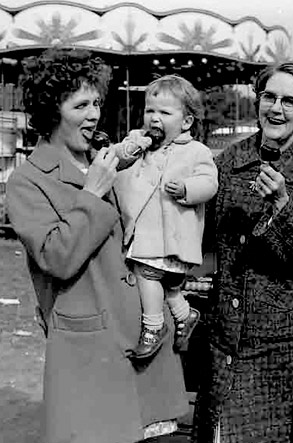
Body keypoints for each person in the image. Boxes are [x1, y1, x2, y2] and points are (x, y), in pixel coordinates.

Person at [6, 48, 188, 443]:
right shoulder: (28, 181)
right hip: (90, 352)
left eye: (97, 103)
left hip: (145, 341)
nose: (94, 115)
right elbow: (56, 257)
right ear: (53, 110)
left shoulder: (113, 159)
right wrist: (92, 193)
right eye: (81, 105)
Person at [192, 61, 293, 443]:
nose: (276, 108)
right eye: (268, 97)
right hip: (223, 335)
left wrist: (282, 206)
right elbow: (203, 238)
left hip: (276, 348)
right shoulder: (228, 161)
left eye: (290, 101)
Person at [114, 74, 218, 359]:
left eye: (164, 112)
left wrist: (187, 188)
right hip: (148, 235)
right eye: (150, 110)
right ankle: (185, 315)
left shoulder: (197, 152)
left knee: (147, 274)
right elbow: (116, 158)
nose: (154, 118)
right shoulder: (139, 142)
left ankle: (153, 326)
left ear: (185, 122)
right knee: (169, 287)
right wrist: (134, 146)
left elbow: (209, 183)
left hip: (172, 237)